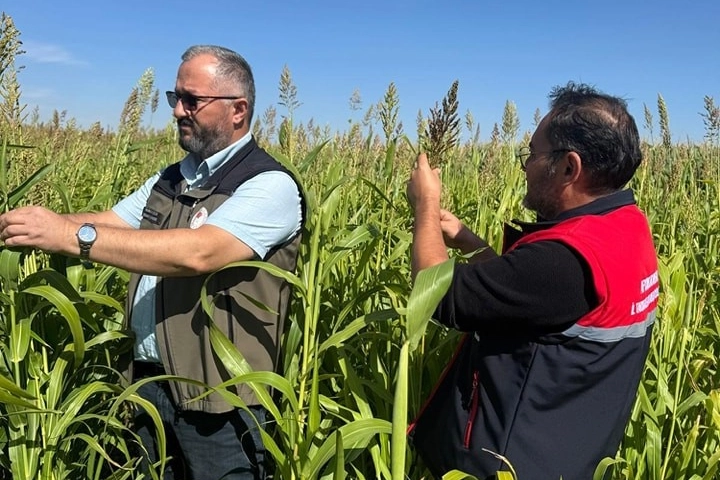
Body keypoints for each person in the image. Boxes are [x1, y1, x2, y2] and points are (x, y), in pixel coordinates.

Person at [0, 45, 304, 479]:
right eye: (174, 98)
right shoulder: (173, 179)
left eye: (191, 100)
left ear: (238, 110)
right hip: (150, 385)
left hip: (220, 400)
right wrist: (28, 224)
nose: (178, 110)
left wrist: (70, 237)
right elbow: (108, 222)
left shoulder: (268, 185)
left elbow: (200, 252)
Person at [406, 82, 658, 480]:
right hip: (566, 451)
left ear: (569, 167)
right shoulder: (625, 228)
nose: (526, 165)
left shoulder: (563, 262)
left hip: (509, 466)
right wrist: (468, 240)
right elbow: (528, 301)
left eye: (533, 155)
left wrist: (426, 205)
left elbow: (434, 294)